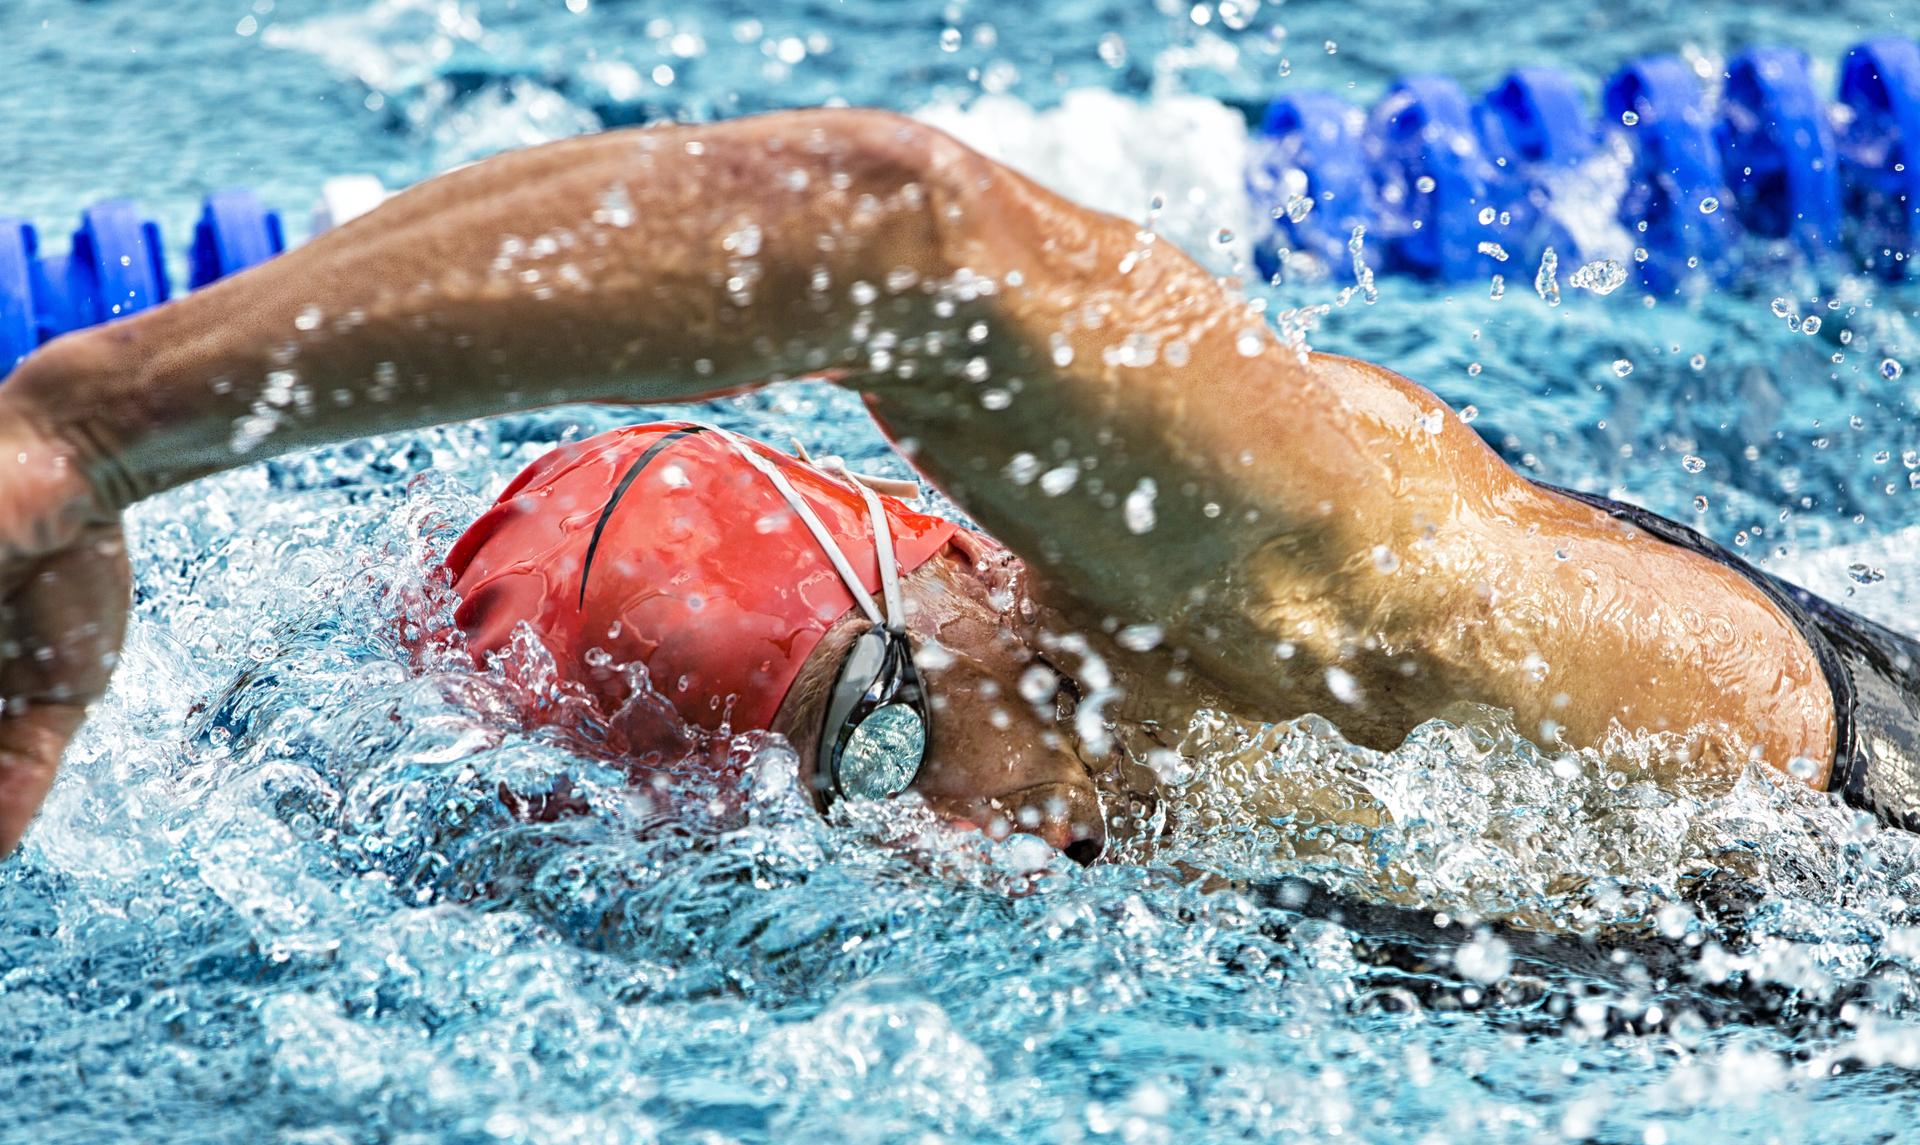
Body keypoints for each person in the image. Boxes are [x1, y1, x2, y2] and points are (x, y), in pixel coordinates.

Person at [0, 108, 1915, 862]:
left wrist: (92, 427)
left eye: (879, 736)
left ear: (960, 557)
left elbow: (883, 223)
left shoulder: (1298, 603)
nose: (915, 846)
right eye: (814, 816)